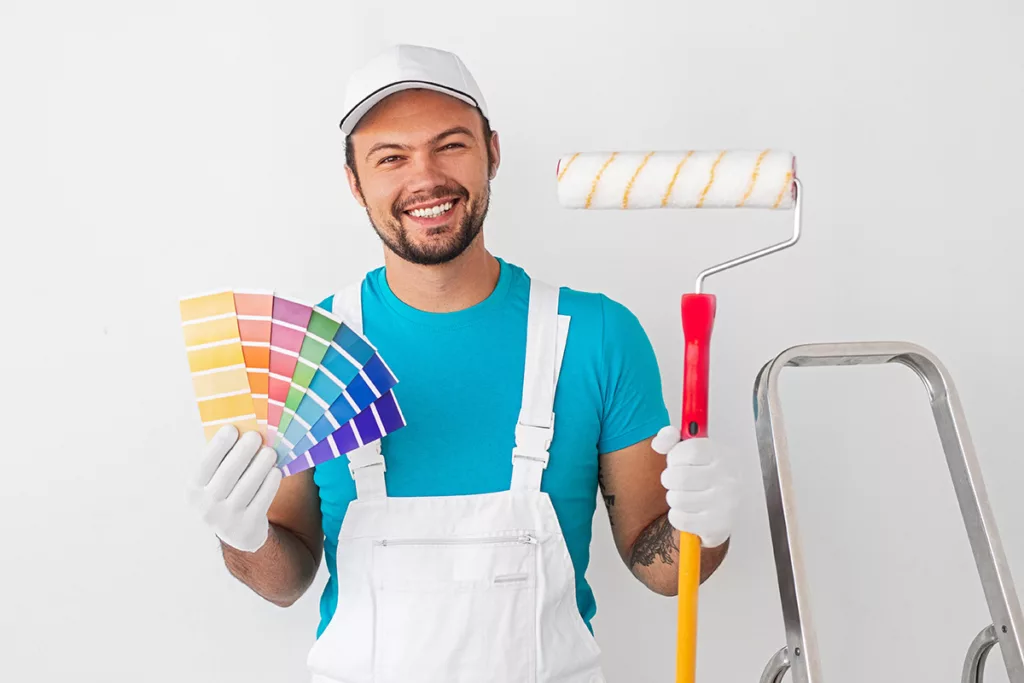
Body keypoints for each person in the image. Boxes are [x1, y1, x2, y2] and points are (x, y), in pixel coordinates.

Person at [187, 44, 738, 682]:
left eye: (450, 145)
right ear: (354, 182)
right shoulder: (308, 353)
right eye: (389, 157)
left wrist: (705, 526)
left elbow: (663, 570)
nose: (425, 178)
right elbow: (285, 584)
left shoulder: (596, 336)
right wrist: (242, 538)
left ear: (492, 153)